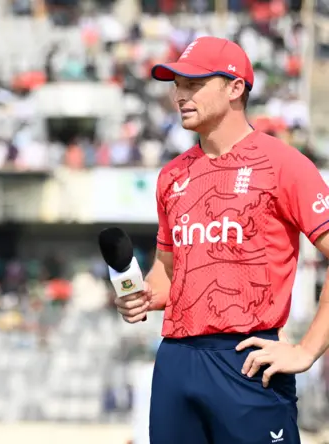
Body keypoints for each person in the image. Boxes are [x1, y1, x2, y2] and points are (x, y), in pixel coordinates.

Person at [114, 36, 329, 444]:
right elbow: (168, 269)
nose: (180, 94)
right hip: (175, 361)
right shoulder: (171, 175)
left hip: (247, 359)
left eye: (194, 84)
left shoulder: (283, 163)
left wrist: (305, 351)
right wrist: (143, 295)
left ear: (235, 88)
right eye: (177, 84)